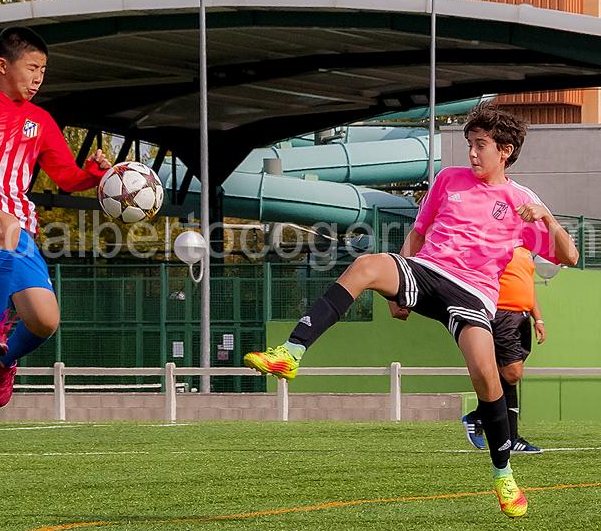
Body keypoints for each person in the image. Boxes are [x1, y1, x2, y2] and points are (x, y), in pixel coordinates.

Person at [244, 105, 579, 518]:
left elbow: (569, 255)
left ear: (505, 151)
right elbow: (419, 233)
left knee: (485, 374)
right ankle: (291, 352)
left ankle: (503, 474)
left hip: (473, 295)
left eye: (481, 145)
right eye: (469, 144)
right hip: (427, 271)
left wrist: (548, 218)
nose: (472, 153)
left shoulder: (523, 202)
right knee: (366, 266)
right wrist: (397, 292)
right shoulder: (448, 179)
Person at [0, 26, 112, 406]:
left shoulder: (40, 120)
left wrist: (94, 175)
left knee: (45, 320)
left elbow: (66, 177)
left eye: (43, 70)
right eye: (31, 68)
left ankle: (5, 360)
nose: (38, 78)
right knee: (2, 223)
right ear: (2, 65)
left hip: (13, 228)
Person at [462, 247, 546, 453]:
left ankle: (511, 437)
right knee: (512, 373)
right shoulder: (493, 244)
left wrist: (538, 319)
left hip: (522, 316)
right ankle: (479, 417)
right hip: (502, 314)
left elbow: (528, 286)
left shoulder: (525, 250)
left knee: (508, 377)